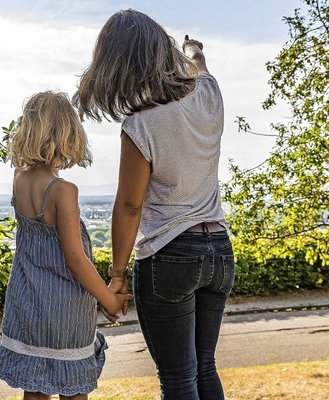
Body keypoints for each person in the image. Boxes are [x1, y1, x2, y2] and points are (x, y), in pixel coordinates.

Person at [73, 9, 235, 400]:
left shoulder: (141, 123)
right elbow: (200, 65)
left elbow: (130, 206)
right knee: (204, 367)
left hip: (171, 253)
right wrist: (192, 49)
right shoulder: (210, 94)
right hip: (219, 250)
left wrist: (116, 274)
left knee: (179, 378)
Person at [0, 91, 132, 400]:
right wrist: (108, 299)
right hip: (65, 311)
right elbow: (76, 259)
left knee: (35, 387)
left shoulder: (19, 179)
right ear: (68, 135)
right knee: (73, 389)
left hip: (27, 303)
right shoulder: (62, 190)